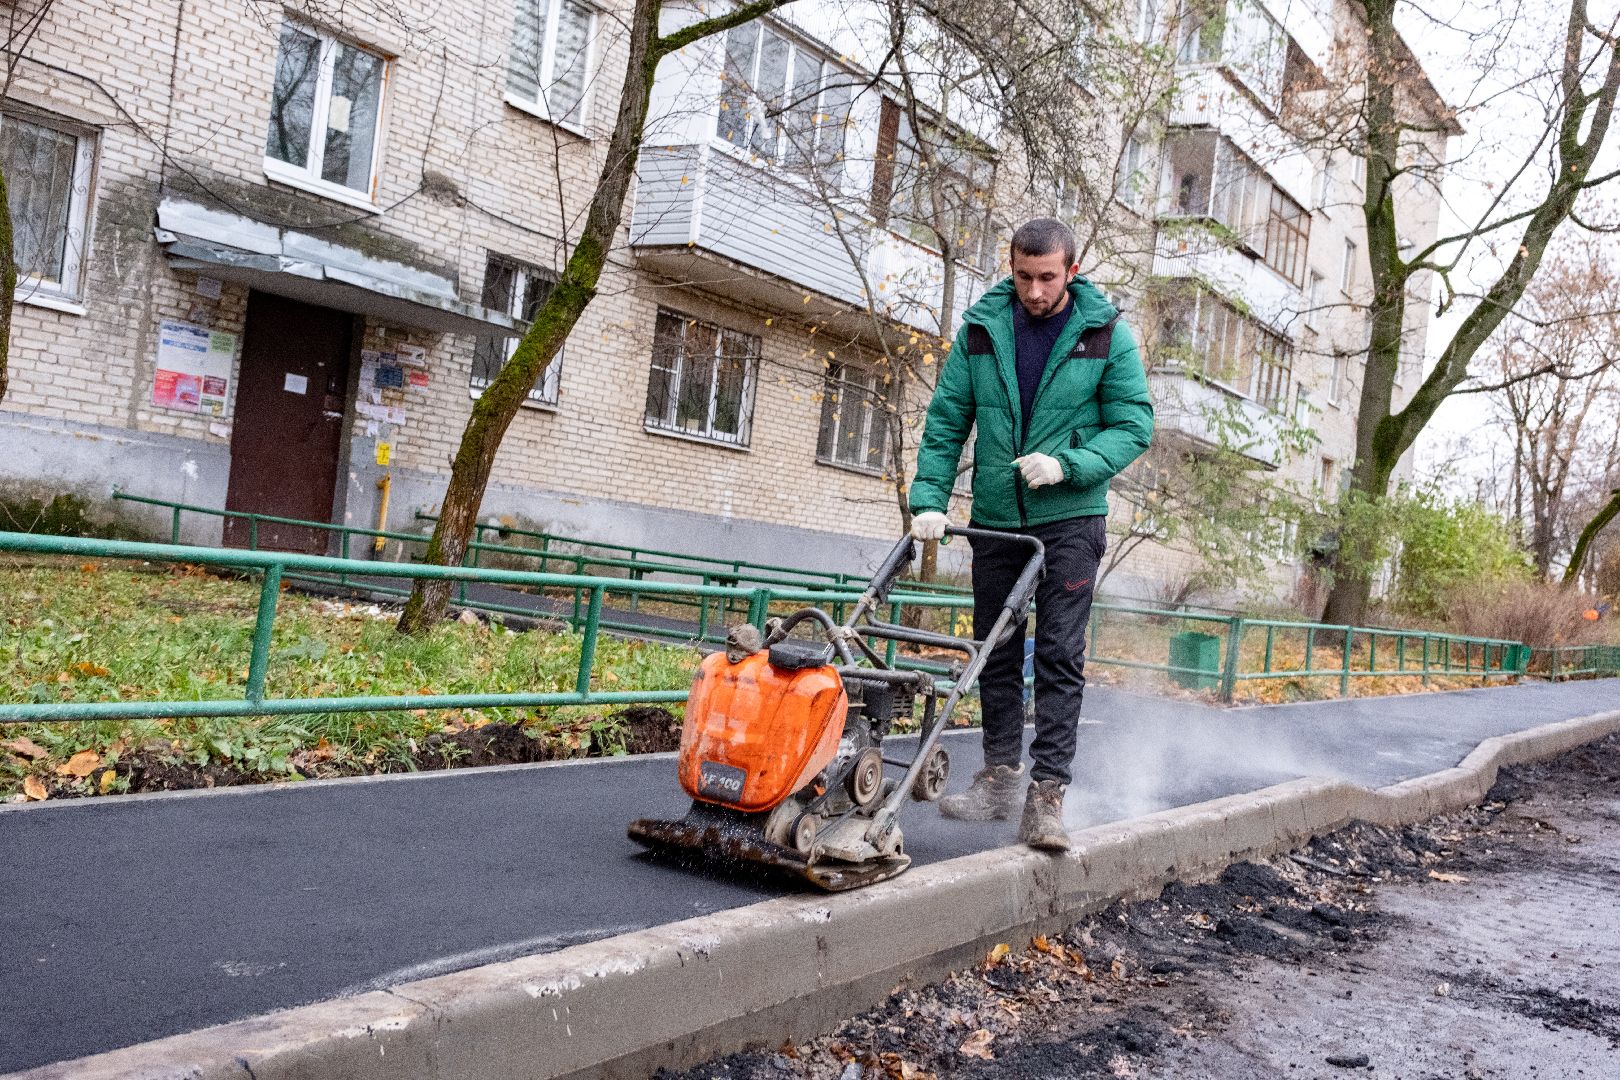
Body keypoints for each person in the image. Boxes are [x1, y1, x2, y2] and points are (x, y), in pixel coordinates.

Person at [908, 218, 1153, 851]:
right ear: (1010, 267)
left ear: (1072, 271)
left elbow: (1133, 427)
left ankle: (1046, 795)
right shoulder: (983, 331)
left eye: (1047, 278)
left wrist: (1068, 466)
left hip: (1069, 520)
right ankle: (999, 778)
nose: (1035, 291)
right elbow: (946, 421)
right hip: (996, 521)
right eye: (1023, 277)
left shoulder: (1105, 336)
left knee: (1058, 655)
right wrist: (930, 500)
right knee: (994, 649)